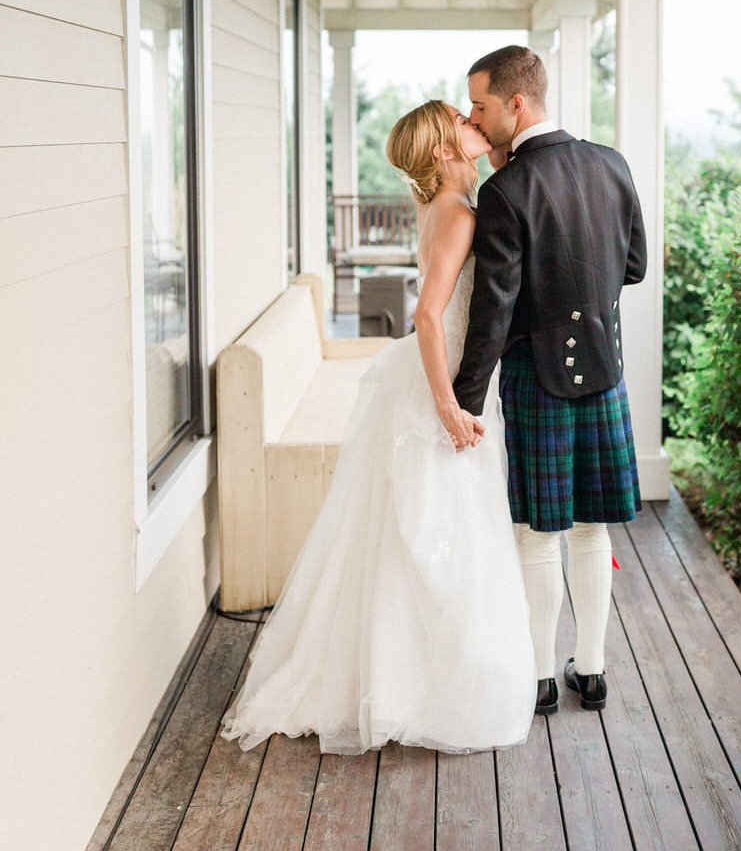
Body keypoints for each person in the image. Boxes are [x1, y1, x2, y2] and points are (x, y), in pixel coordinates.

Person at [220, 101, 536, 755]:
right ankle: (421, 688)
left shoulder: (451, 204)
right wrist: (449, 405)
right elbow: (427, 316)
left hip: (441, 382)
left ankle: (412, 677)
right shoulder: (456, 215)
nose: (473, 123)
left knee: (427, 530)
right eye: (463, 120)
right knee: (435, 534)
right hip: (438, 389)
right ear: (445, 148)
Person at [454, 45, 647, 715]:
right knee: (594, 526)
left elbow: (494, 309)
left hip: (540, 375)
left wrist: (462, 400)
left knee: (539, 530)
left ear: (516, 102)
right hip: (606, 367)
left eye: (479, 104)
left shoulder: (505, 191)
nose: (471, 116)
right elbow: (635, 265)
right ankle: (590, 671)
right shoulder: (610, 163)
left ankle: (539, 678)